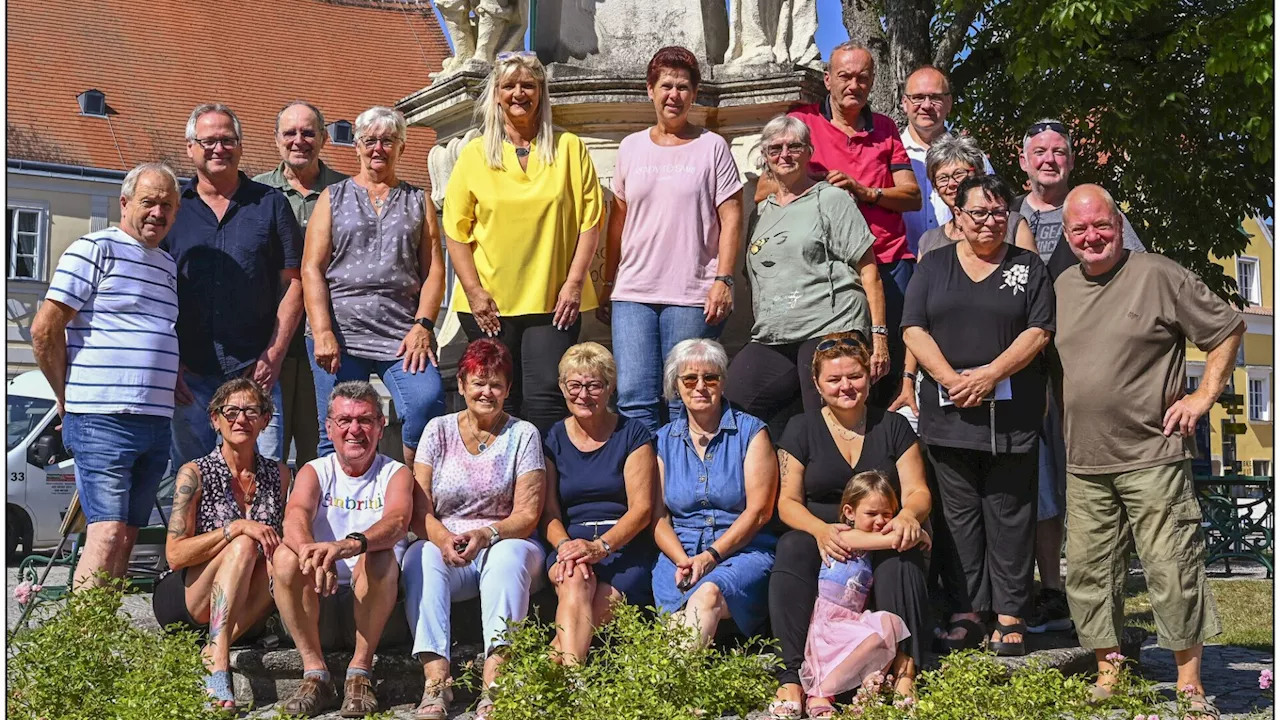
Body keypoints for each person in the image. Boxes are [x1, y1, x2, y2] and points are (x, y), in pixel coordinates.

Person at [1054, 184, 1243, 716]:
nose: (1092, 237)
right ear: (1067, 235)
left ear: (1118, 223)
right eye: (1080, 229)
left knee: (1171, 567)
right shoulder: (1063, 285)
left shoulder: (1157, 274)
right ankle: (1110, 671)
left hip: (1152, 455)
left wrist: (1203, 395)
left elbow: (1226, 328)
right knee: (1090, 573)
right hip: (1084, 459)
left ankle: (1189, 682)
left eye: (1101, 225)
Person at [901, 174, 1055, 657]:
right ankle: (967, 610)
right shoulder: (934, 265)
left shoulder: (1027, 267)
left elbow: (1039, 332)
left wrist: (990, 374)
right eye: (978, 214)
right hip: (948, 414)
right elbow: (912, 328)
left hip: (1011, 416)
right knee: (957, 516)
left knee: (1010, 514)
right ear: (958, 218)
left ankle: (1010, 613)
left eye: (998, 213)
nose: (989, 222)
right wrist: (949, 378)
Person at [1014, 119, 1147, 635]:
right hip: (1028, 372)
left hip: (1090, 370)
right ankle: (1050, 588)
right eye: (1039, 152)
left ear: (1071, 160)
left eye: (1059, 152)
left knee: (1095, 483)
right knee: (1042, 485)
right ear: (1024, 161)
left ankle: (1099, 591)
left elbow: (1136, 275)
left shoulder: (1098, 213)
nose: (1049, 159)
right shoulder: (1008, 214)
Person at [30, 162, 182, 589]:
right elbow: (44, 329)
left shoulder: (166, 265)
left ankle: (98, 642)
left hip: (154, 421)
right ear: (125, 202)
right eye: (148, 202)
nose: (157, 212)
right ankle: (78, 646)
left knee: (126, 539)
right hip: (102, 416)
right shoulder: (94, 249)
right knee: (107, 531)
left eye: (167, 205)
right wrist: (66, 395)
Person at [767, 332, 932, 720]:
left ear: (869, 377)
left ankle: (905, 668)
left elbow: (919, 491)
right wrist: (822, 531)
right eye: (834, 379)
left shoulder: (893, 427)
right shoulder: (800, 428)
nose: (846, 386)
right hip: (826, 538)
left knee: (901, 557)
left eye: (854, 376)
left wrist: (909, 516)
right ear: (818, 384)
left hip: (883, 532)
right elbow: (787, 503)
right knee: (792, 547)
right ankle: (791, 674)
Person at [443, 52, 604, 436]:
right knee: (498, 396)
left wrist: (575, 282)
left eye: (528, 85)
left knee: (547, 395)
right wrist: (474, 291)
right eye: (509, 86)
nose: (519, 93)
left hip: (554, 298)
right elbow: (455, 231)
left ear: (541, 92)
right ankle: (504, 487)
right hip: (489, 303)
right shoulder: (475, 154)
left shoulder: (569, 148)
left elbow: (590, 221)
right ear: (496, 95)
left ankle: (545, 487)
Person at [600, 46, 744, 433]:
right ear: (650, 90)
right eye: (666, 86)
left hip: (691, 293)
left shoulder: (712, 147)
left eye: (683, 87)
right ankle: (645, 488)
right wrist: (607, 282)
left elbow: (732, 217)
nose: (674, 95)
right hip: (633, 293)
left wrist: (723, 280)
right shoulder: (631, 147)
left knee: (684, 399)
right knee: (633, 398)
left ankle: (682, 488)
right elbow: (619, 221)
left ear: (694, 95)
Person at [402, 339, 546, 720]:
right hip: (449, 546)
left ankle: (496, 686)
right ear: (462, 384)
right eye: (478, 382)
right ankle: (436, 685)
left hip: (508, 543)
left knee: (505, 555)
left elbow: (528, 514)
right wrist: (442, 538)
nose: (487, 392)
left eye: (496, 384)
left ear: (508, 390)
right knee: (419, 555)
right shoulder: (438, 431)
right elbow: (420, 510)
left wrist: (487, 534)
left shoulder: (524, 434)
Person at [776, 41, 922, 411]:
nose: (853, 85)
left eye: (862, 77)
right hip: (829, 272)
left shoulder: (886, 129)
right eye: (845, 76)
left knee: (885, 368)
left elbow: (911, 196)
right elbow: (768, 182)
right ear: (828, 80)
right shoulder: (803, 122)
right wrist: (818, 184)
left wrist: (865, 191)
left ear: (872, 82)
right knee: (839, 371)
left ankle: (890, 453)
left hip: (888, 262)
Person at [302, 105, 447, 466]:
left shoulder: (418, 200)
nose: (378, 148)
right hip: (341, 332)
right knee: (338, 423)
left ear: (401, 147)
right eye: (370, 141)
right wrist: (322, 331)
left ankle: (414, 492)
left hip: (401, 333)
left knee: (426, 402)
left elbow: (434, 272)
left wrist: (423, 325)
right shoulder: (332, 198)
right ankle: (339, 510)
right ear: (357, 146)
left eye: (387, 141)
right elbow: (312, 268)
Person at [165, 103, 303, 469]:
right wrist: (170, 361)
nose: (218, 149)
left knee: (263, 482)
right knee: (190, 484)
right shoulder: (173, 209)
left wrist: (273, 356)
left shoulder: (270, 205)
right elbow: (154, 289)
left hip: (254, 372)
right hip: (188, 376)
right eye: (208, 140)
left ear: (241, 147)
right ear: (190, 148)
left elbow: (294, 283)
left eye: (227, 140)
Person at [725, 115, 887, 425]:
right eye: (775, 149)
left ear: (809, 151)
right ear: (765, 157)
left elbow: (869, 271)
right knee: (731, 406)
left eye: (794, 146)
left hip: (830, 324)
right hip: (774, 334)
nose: (784, 155)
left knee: (826, 421)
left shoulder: (832, 199)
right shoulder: (761, 212)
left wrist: (878, 339)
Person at [272, 381, 414, 717]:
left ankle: (360, 673)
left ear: (381, 426)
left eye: (365, 420)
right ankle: (315, 674)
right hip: (316, 604)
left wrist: (348, 546)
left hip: (378, 611)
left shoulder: (396, 473)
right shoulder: (315, 470)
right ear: (330, 428)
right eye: (345, 420)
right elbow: (294, 516)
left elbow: (396, 521)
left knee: (378, 555)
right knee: (284, 556)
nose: (355, 429)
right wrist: (313, 554)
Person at [155, 378, 290, 709]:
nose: (240, 419)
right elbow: (174, 555)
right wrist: (234, 528)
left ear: (265, 420)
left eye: (250, 411)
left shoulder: (281, 476)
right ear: (215, 419)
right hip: (187, 593)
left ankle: (216, 646)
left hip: (246, 598)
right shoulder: (194, 473)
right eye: (230, 411)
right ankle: (219, 669)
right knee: (243, 543)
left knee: (281, 556)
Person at [652, 339, 778, 649]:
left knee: (706, 596)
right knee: (675, 623)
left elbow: (760, 511)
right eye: (689, 379)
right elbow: (657, 516)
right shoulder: (662, 441)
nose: (700, 387)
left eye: (710, 378)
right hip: (678, 553)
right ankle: (687, 691)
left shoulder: (752, 433)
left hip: (740, 551)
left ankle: (674, 692)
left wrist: (711, 556)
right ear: (676, 386)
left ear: (723, 382)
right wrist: (683, 560)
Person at [540, 342, 657, 664]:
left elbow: (642, 509)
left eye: (594, 385)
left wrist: (600, 547)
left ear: (610, 388)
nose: (583, 395)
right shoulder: (552, 438)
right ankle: (575, 681)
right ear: (563, 388)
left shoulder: (633, 433)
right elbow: (548, 512)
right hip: (570, 542)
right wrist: (566, 546)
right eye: (574, 385)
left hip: (623, 546)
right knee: (575, 576)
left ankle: (547, 675)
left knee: (591, 604)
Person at [254, 100, 350, 467]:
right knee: (266, 451)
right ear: (276, 140)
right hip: (270, 338)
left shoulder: (346, 191)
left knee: (321, 448)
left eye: (308, 133)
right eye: (290, 133)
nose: (299, 141)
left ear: (324, 138)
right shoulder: (256, 194)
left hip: (327, 338)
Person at [800, 471, 920, 711]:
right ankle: (819, 695)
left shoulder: (871, 543)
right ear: (849, 513)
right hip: (831, 623)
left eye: (887, 515)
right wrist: (916, 534)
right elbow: (891, 540)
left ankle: (869, 691)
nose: (880, 521)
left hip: (853, 620)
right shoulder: (844, 535)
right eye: (871, 514)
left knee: (887, 626)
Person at [898, 65, 993, 256]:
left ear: (949, 103)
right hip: (903, 269)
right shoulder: (889, 156)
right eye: (917, 97)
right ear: (904, 103)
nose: (926, 105)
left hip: (963, 263)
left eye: (935, 98)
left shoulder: (974, 158)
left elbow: (993, 208)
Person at [916, 135, 1037, 259]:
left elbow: (1032, 273)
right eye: (942, 178)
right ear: (935, 186)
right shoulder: (929, 241)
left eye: (959, 174)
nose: (951, 183)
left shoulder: (1011, 225)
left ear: (979, 174)